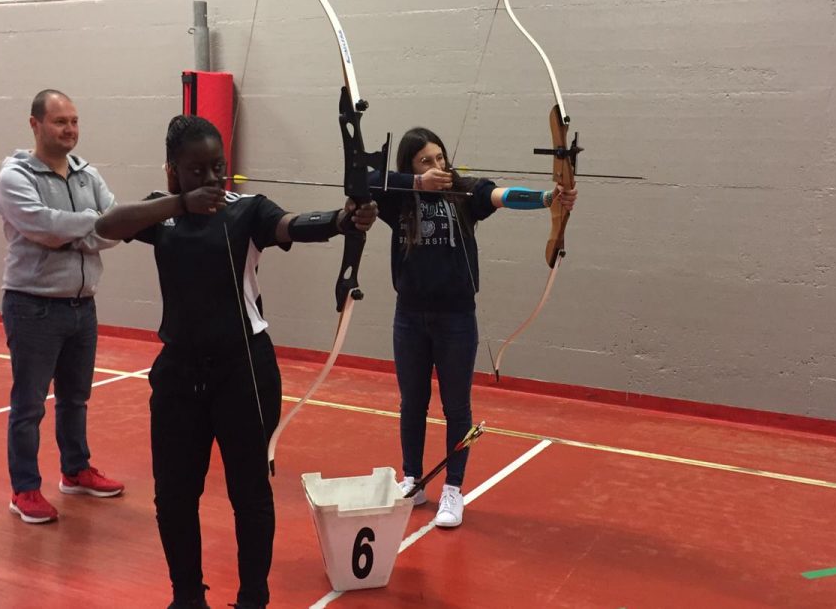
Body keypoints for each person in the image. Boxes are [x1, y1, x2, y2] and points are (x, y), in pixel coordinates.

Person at [94, 115, 377, 609]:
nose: (209, 179)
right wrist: (179, 203)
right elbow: (105, 225)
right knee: (174, 495)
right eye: (195, 169)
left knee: (249, 493)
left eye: (218, 168)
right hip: (179, 373)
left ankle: (253, 599)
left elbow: (289, 226)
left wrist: (340, 219)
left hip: (243, 370)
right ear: (173, 171)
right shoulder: (161, 214)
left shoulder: (247, 210)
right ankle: (186, 597)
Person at [370, 127, 577, 528]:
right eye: (425, 161)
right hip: (409, 317)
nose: (437, 167)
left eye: (440, 158)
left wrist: (549, 198)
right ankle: (412, 479)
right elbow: (363, 181)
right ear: (410, 167)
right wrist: (415, 183)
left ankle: (453, 489)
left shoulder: (461, 191)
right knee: (411, 402)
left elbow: (499, 196)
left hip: (456, 319)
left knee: (456, 407)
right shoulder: (399, 201)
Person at [0, 89, 125, 525]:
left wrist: (82, 229)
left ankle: (75, 470)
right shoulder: (15, 177)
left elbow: (115, 225)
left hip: (81, 308)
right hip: (33, 308)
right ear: (35, 124)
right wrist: (92, 227)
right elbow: (45, 227)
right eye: (59, 122)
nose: (70, 130)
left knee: (76, 398)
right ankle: (25, 489)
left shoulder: (88, 175)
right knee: (29, 405)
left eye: (74, 121)